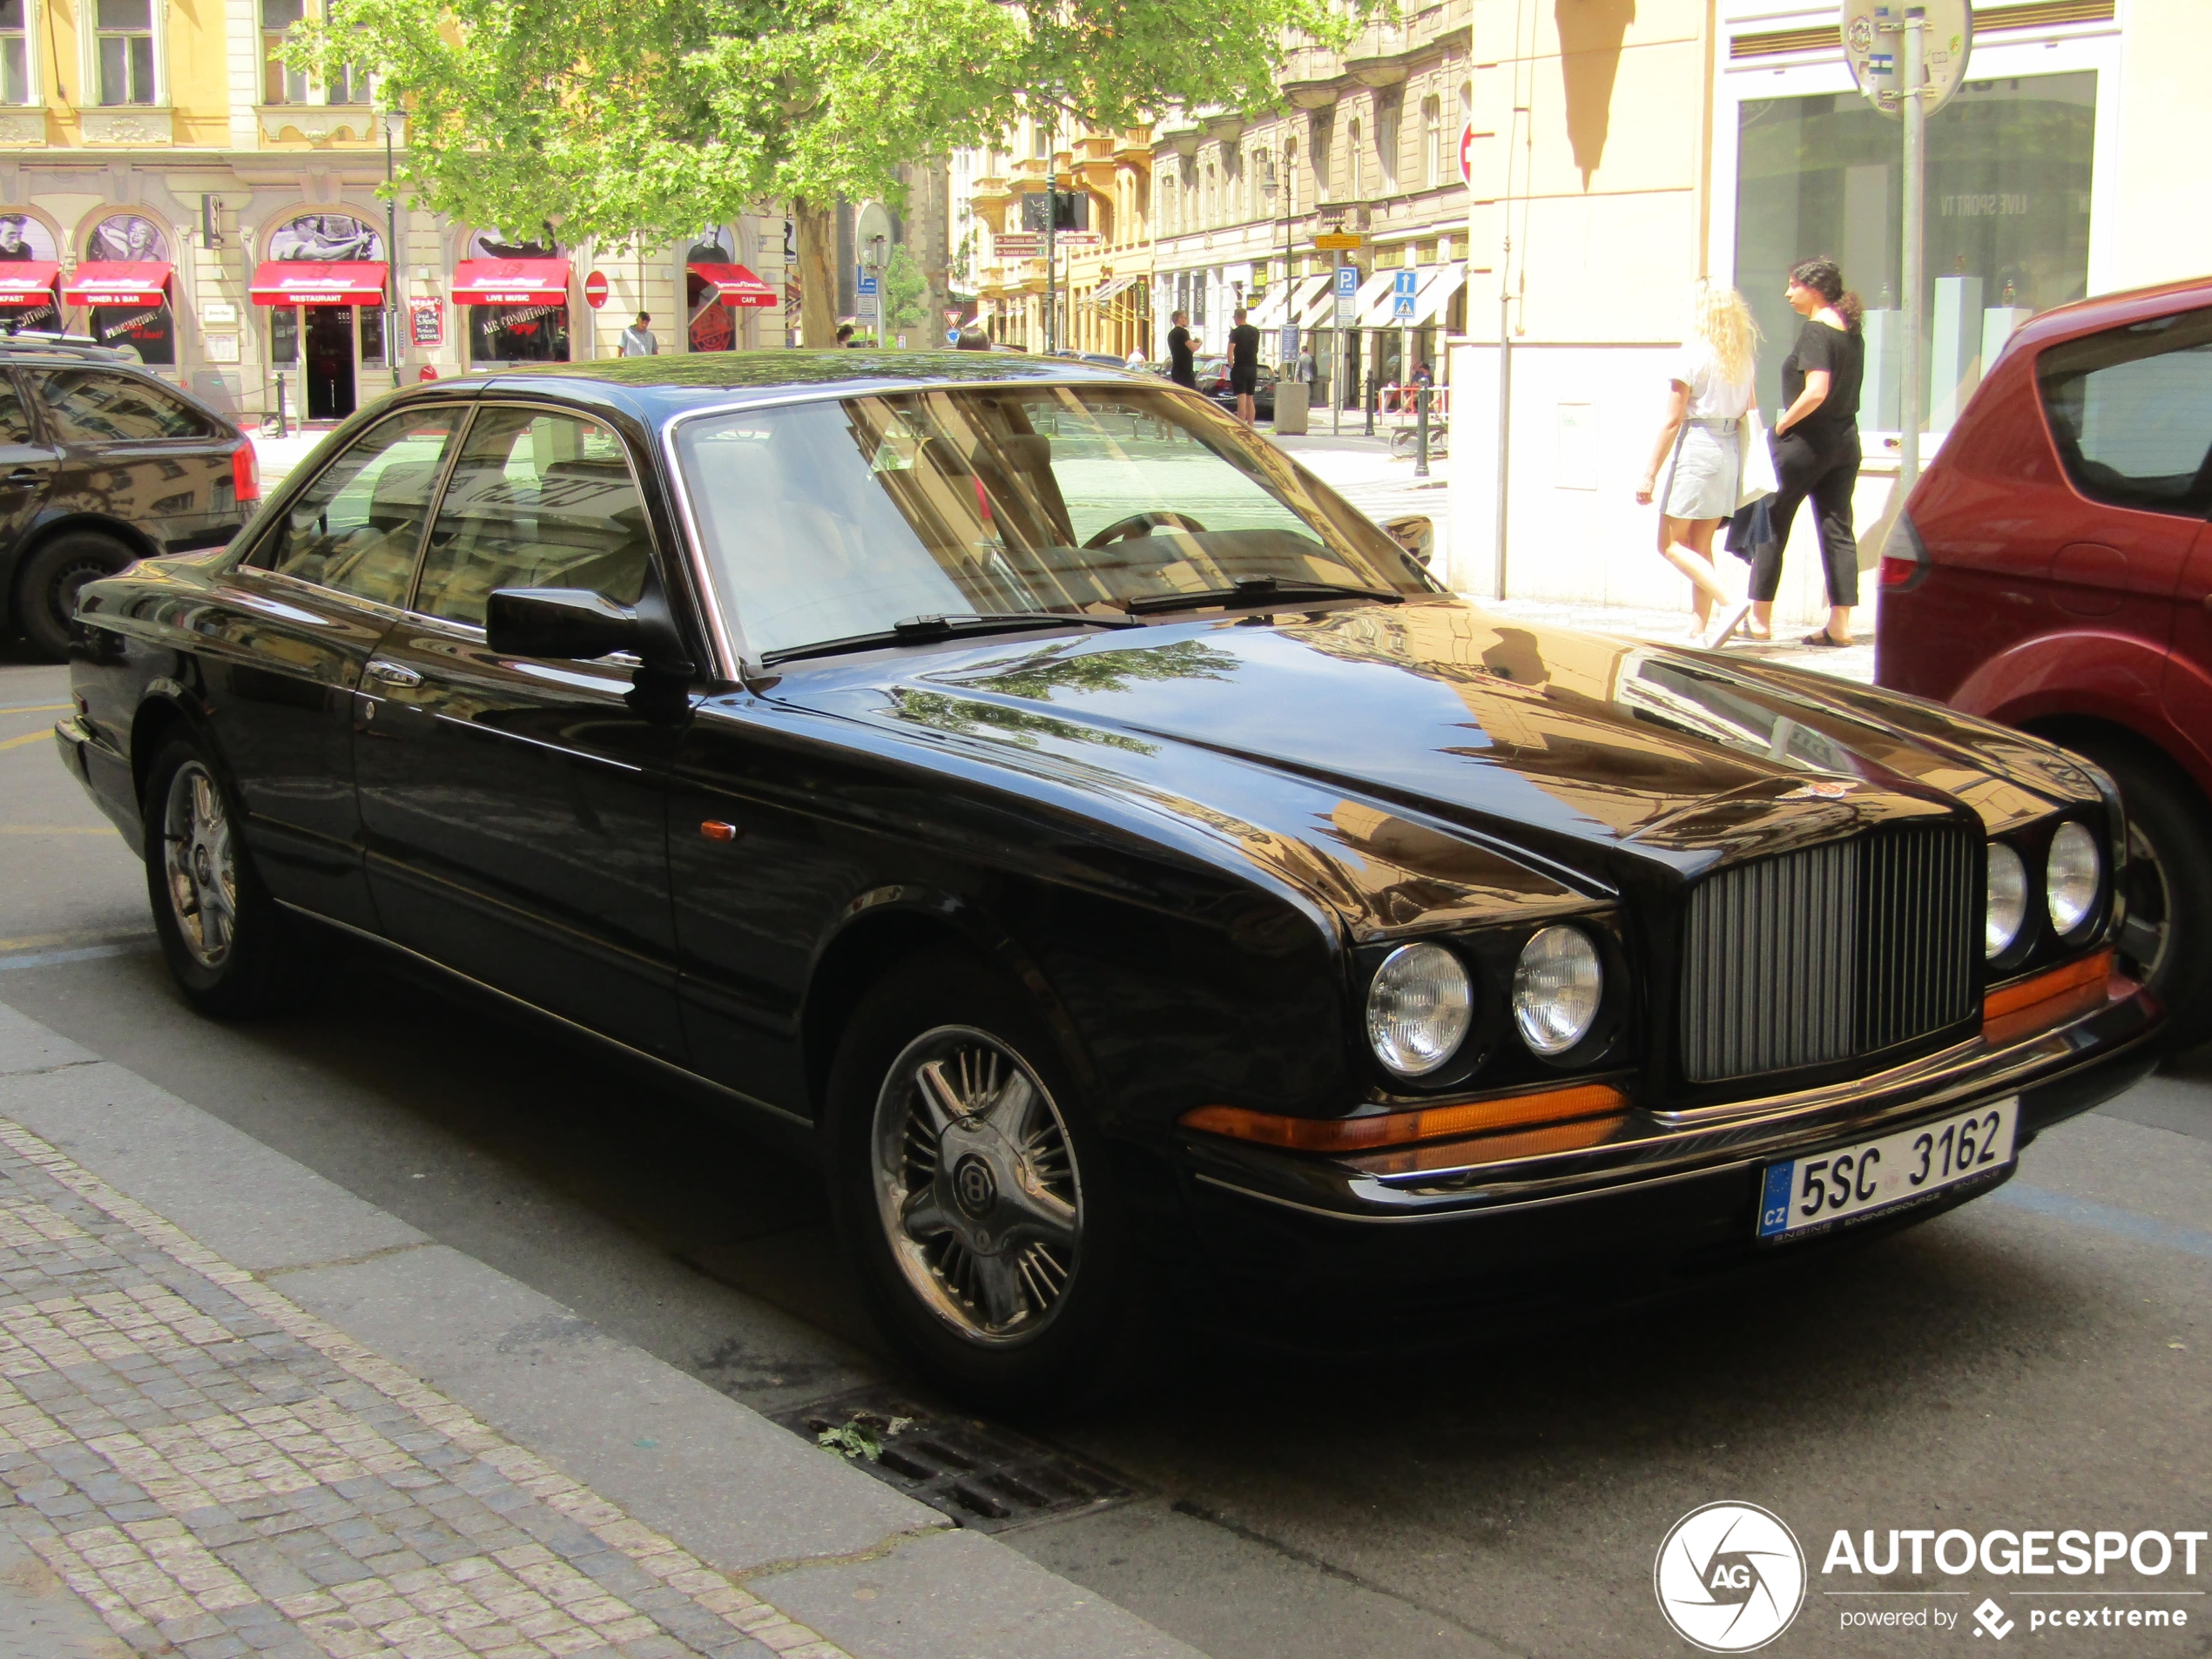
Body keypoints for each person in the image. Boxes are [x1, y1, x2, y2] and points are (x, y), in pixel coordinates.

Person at [1636, 282, 1760, 647]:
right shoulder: (1741, 359)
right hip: (1728, 449)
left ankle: (1730, 602)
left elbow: (1672, 421)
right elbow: (1750, 412)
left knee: (1671, 544)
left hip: (1699, 447)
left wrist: (1649, 473)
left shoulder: (1690, 356)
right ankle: (1698, 628)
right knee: (1700, 545)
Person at [1752, 256, 1866, 649]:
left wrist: (1783, 424)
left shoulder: (1816, 331)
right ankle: (1840, 624)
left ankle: (1759, 620)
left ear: (1814, 289)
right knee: (1838, 528)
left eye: (1794, 285)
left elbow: (1816, 390)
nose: (1788, 293)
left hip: (1806, 443)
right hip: (1846, 441)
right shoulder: (1851, 331)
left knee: (1771, 522)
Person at [1227, 307, 1261, 425]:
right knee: (1250, 399)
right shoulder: (1255, 331)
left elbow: (1230, 352)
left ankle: (1242, 425)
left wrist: (1232, 366)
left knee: (1241, 399)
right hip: (1252, 367)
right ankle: (1251, 426)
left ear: (1236, 317)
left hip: (1240, 368)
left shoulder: (1235, 333)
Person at [1167, 310, 1197, 389]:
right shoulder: (1183, 332)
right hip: (1185, 371)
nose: (1187, 320)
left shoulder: (1171, 334)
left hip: (1176, 370)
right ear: (1180, 319)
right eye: (1186, 318)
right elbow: (1193, 347)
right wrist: (1200, 342)